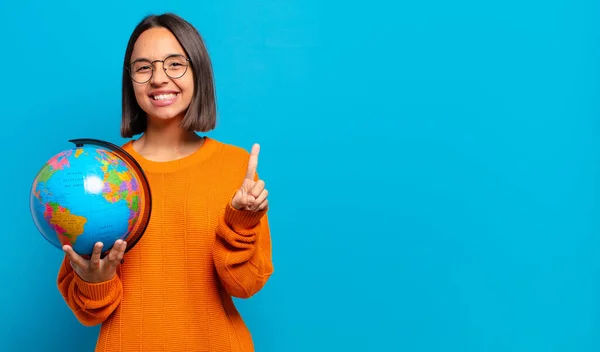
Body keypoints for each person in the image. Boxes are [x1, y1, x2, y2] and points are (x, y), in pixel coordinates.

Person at [56, 13, 274, 352]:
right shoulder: (102, 173)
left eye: (175, 64)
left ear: (198, 70)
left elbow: (244, 286)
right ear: (130, 81)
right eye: (143, 68)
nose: (159, 78)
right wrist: (93, 280)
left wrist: (241, 224)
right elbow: (91, 311)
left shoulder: (236, 168)